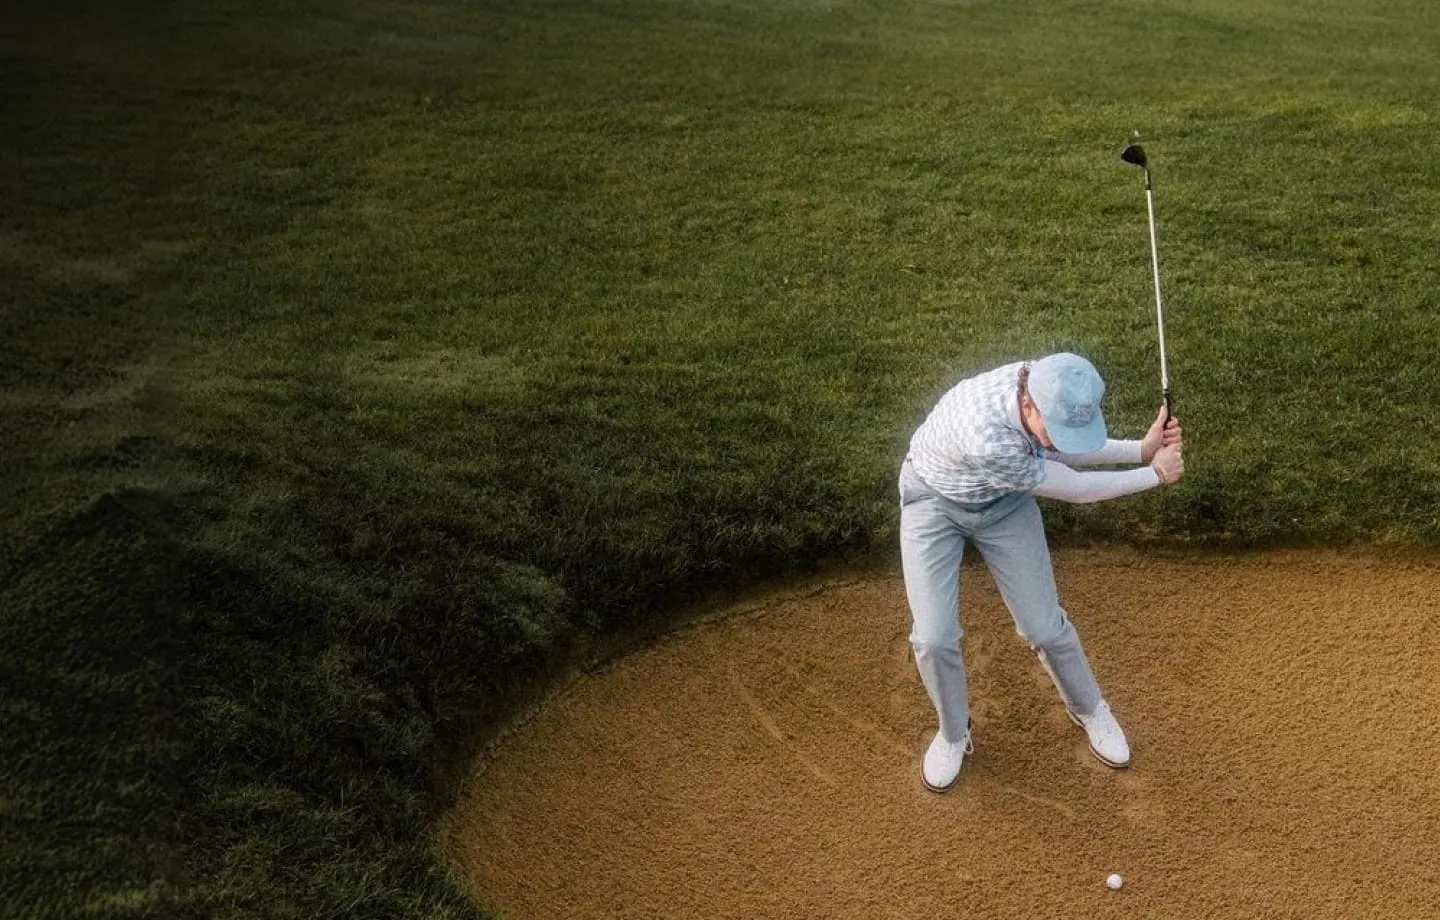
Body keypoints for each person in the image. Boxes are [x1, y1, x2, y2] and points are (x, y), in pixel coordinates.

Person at [899, 352, 1184, 792]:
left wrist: (1139, 449)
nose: (1064, 438)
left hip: (1004, 504)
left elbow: (1059, 447)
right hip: (933, 504)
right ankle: (954, 734)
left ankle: (1089, 708)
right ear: (1029, 406)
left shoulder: (1052, 381)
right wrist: (1153, 474)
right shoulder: (987, 437)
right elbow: (1074, 487)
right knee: (934, 637)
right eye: (1058, 428)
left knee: (1044, 626)